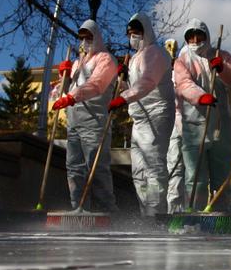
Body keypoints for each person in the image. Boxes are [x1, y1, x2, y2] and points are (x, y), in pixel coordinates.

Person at [108, 13, 175, 218]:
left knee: (153, 167)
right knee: (138, 171)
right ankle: (145, 211)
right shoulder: (137, 56)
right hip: (139, 118)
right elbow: (136, 86)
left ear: (145, 32)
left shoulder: (156, 53)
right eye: (129, 34)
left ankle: (156, 213)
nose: (132, 37)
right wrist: (124, 79)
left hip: (157, 114)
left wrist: (124, 97)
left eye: (136, 33)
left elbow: (147, 82)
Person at [173, 18, 231, 211]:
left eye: (199, 35)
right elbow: (183, 84)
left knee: (222, 176)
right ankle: (194, 212)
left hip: (220, 126)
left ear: (207, 36)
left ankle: (220, 214)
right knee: (196, 177)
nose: (195, 40)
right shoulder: (183, 60)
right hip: (193, 126)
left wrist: (223, 69)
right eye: (191, 37)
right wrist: (201, 96)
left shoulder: (221, 55)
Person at [50, 20, 119, 213]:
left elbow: (96, 85)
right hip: (74, 120)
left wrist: (72, 97)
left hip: (94, 120)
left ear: (96, 37)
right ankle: (78, 208)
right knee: (74, 168)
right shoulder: (78, 63)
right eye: (82, 38)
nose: (85, 41)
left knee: (97, 168)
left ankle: (108, 210)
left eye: (89, 37)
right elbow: (64, 91)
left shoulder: (106, 59)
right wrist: (64, 78)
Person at [164, 38, 186, 213]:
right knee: (171, 167)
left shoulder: (182, 72)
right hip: (165, 123)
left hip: (184, 122)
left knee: (182, 167)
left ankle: (179, 209)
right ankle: (169, 209)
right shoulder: (160, 74)